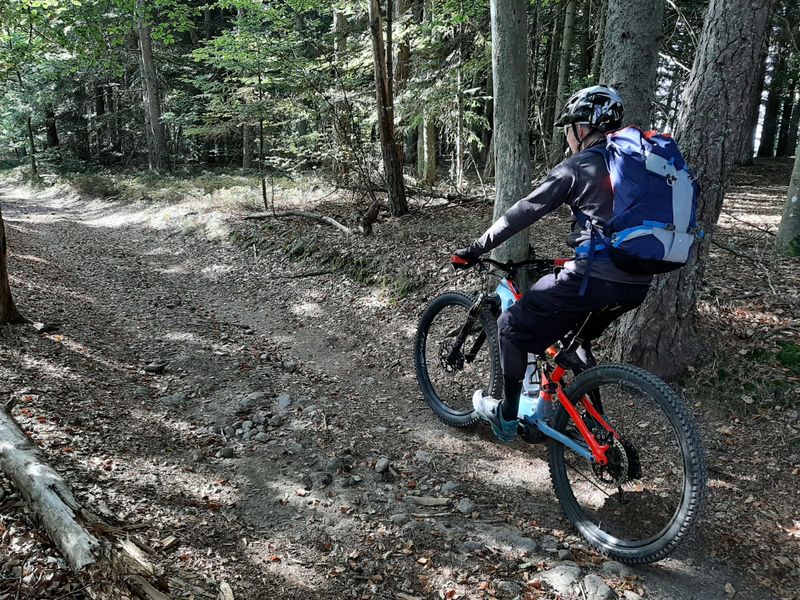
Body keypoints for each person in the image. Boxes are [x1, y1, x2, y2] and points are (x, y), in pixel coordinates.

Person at [450, 85, 653, 443]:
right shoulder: (639, 167)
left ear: (582, 128)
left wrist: (476, 248)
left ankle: (507, 418)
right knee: (574, 341)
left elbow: (524, 211)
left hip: (596, 277)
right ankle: (595, 427)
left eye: (570, 127)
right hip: (637, 282)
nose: (568, 136)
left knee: (511, 325)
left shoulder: (581, 164)